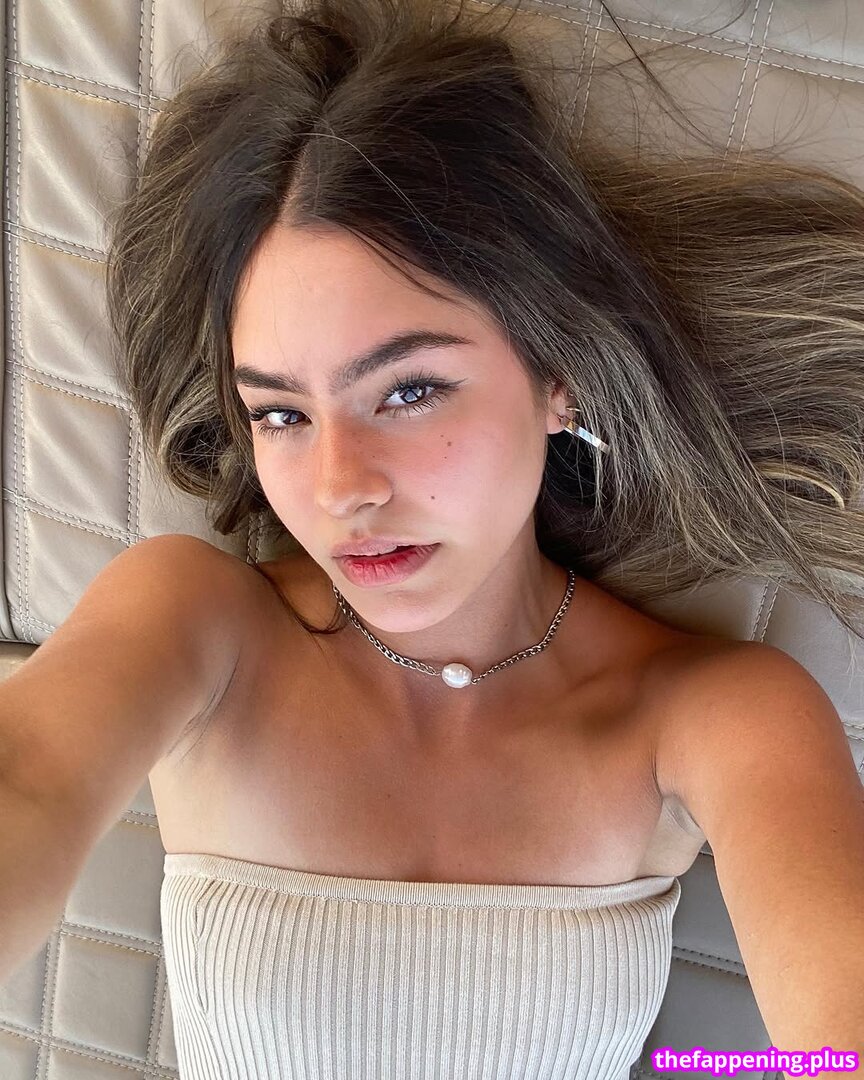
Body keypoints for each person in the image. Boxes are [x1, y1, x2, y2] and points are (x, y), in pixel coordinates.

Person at [2, 0, 863, 1076]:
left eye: (409, 390)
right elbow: (26, 776)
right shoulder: (195, 621)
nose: (340, 489)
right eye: (281, 412)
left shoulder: (716, 714)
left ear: (560, 375)